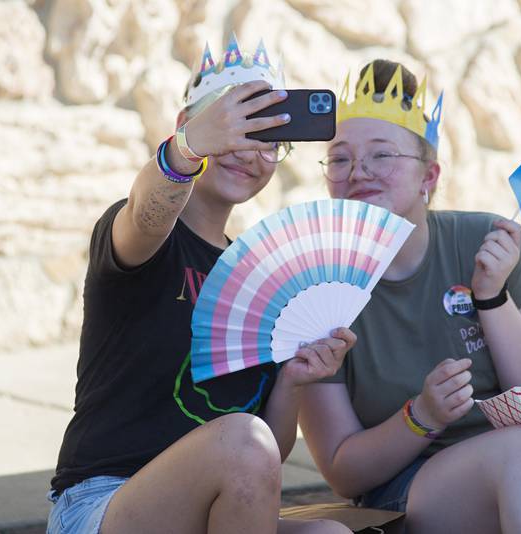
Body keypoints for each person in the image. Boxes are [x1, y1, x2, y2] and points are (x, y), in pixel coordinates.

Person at [299, 59, 521, 534]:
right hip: (407, 488)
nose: (358, 171)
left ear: (429, 176)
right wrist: (420, 416)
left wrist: (492, 298)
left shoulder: (485, 239)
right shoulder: (312, 287)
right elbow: (342, 470)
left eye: (382, 155)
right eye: (341, 158)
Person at [47, 37, 354, 534]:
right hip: (102, 504)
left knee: (329, 533)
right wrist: (188, 148)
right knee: (240, 443)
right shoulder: (145, 233)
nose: (246, 149)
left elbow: (265, 456)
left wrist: (295, 379)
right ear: (187, 125)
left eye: (267, 138)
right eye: (233, 125)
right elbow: (147, 212)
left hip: (213, 506)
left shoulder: (262, 280)